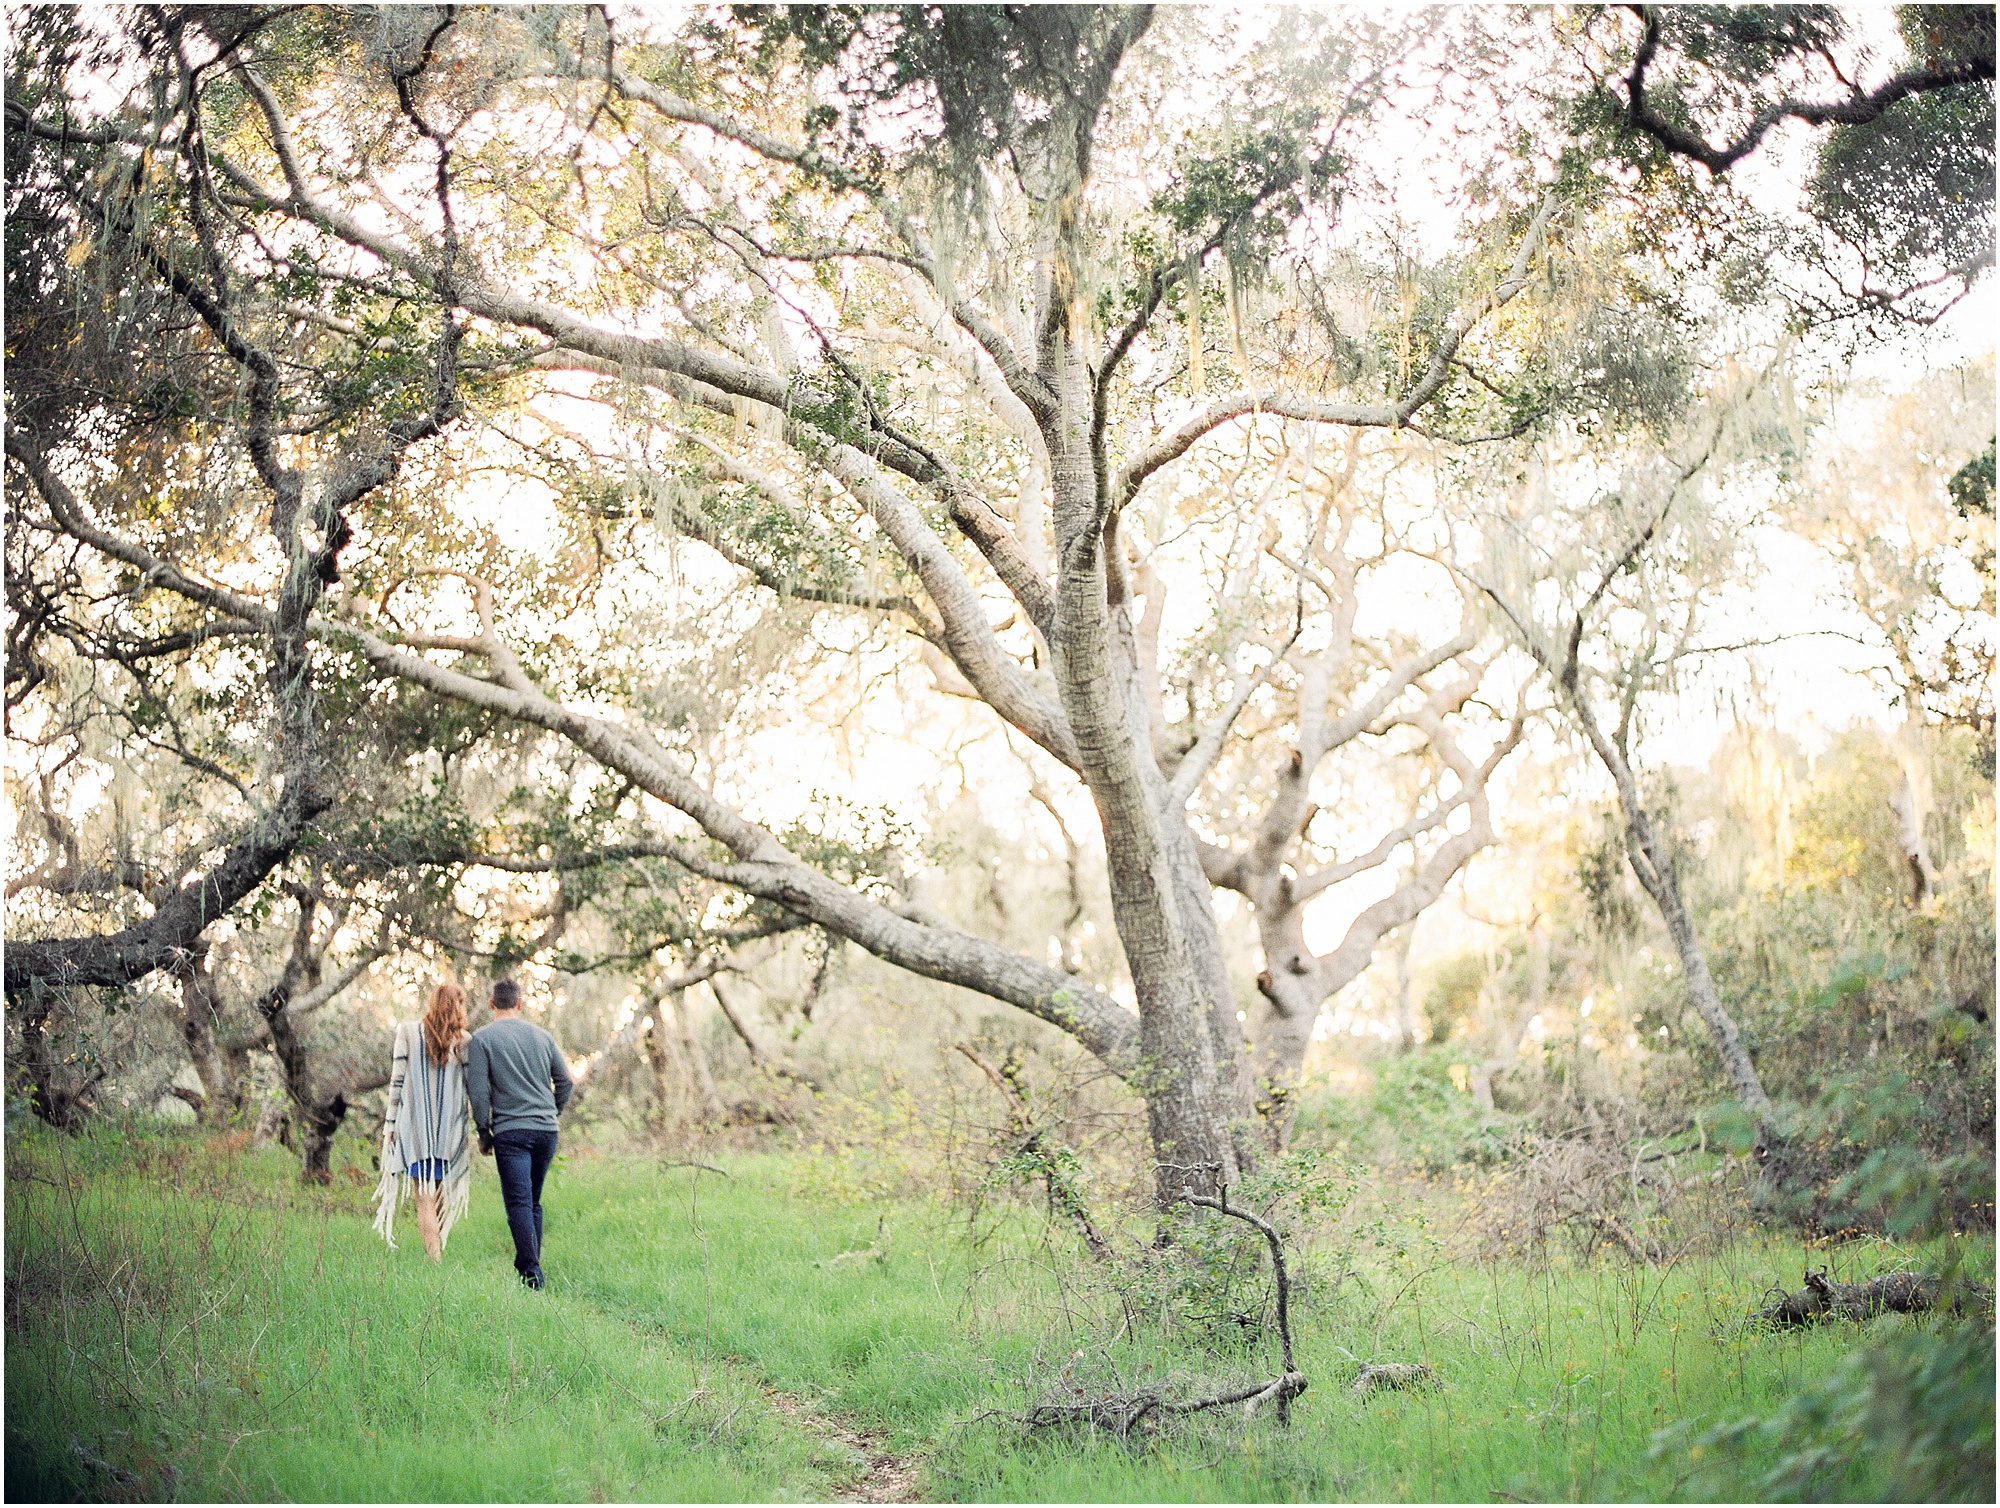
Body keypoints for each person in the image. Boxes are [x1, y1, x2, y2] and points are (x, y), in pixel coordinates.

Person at [465, 978, 574, 1289]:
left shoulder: (482, 1039)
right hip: (546, 1131)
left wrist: (483, 1131)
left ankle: (530, 1272)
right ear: (520, 1003)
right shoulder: (542, 1036)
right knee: (532, 1201)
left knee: (519, 1202)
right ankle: (531, 1269)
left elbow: (478, 1091)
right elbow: (566, 1081)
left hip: (511, 1132)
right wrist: (552, 1112)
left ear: (491, 1004)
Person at [371, 981, 473, 1260]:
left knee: (424, 1196)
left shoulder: (408, 1032)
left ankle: (434, 1258)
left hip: (415, 1129)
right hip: (450, 1132)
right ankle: (437, 1252)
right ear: (456, 1006)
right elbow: (470, 1087)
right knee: (439, 1191)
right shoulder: (465, 1041)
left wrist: (390, 1125)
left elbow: (397, 1082)